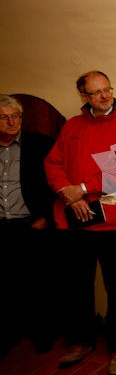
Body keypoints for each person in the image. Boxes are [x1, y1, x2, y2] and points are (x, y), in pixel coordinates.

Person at [44, 71, 116, 374]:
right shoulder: (73, 126)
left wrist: (84, 189)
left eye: (107, 89)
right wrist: (71, 197)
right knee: (79, 284)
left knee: (115, 287)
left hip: (113, 220)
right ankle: (82, 340)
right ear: (84, 97)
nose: (104, 96)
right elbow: (53, 163)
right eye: (96, 92)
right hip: (76, 216)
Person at [0, 95, 58, 358]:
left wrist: (46, 216)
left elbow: (56, 182)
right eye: (4, 117)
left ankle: (42, 335)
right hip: (2, 227)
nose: (12, 122)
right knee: (6, 285)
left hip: (31, 226)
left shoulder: (41, 144)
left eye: (16, 116)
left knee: (39, 284)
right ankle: (10, 333)